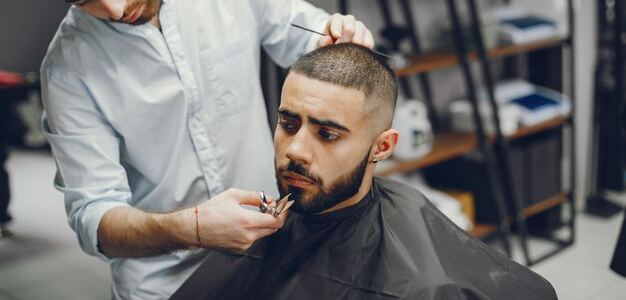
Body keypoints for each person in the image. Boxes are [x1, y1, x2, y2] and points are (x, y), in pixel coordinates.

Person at [4, 0, 374, 298]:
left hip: (274, 257)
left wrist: (339, 39)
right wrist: (195, 228)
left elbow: (307, 41)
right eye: (83, 0)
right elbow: (95, 219)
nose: (112, 9)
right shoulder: (67, 71)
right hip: (164, 284)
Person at [171, 43, 558, 300]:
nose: (296, 150)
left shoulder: (423, 285)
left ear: (382, 147)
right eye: (288, 124)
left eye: (327, 134)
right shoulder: (250, 235)